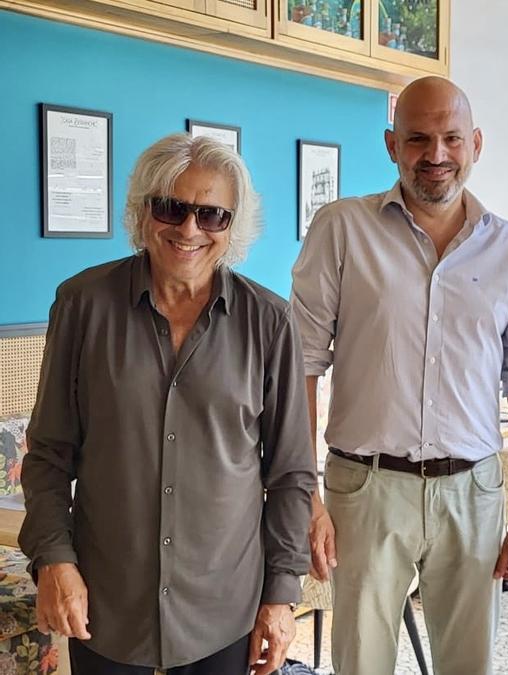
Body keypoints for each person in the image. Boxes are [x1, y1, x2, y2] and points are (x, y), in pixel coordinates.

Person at [20, 134, 315, 674]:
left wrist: (280, 595)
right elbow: (48, 455)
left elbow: (291, 472)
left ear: (233, 226)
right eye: (171, 208)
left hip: (224, 609)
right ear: (143, 211)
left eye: (212, 215)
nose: (188, 229)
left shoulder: (270, 323)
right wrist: (54, 561)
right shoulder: (82, 305)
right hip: (107, 604)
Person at [291, 77, 508, 674]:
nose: (435, 155)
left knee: (469, 665)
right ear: (391, 145)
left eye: (451, 138)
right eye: (418, 139)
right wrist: (307, 495)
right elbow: (299, 364)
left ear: (476, 143)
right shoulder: (341, 229)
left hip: (473, 491)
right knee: (362, 664)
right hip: (365, 489)